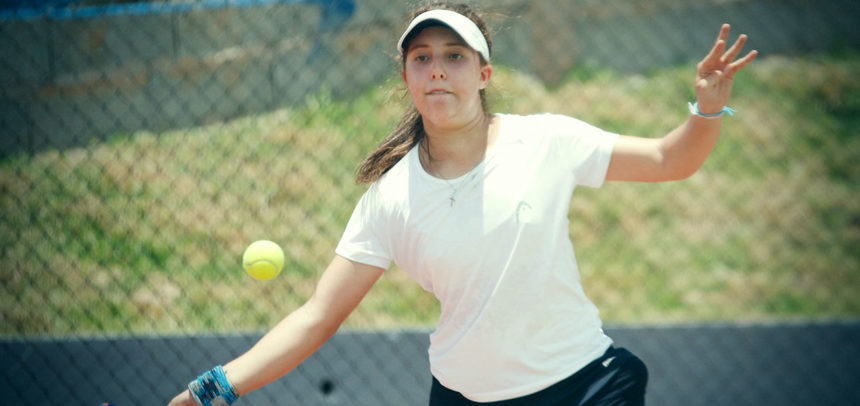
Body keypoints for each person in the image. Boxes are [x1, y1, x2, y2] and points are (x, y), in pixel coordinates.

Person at [169, 2, 757, 405]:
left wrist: (707, 110)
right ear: (407, 78)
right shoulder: (390, 197)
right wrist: (210, 389)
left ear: (483, 73)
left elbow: (670, 160)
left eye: (454, 56)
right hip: (464, 395)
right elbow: (318, 316)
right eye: (421, 58)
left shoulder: (545, 140)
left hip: (585, 384)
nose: (437, 70)